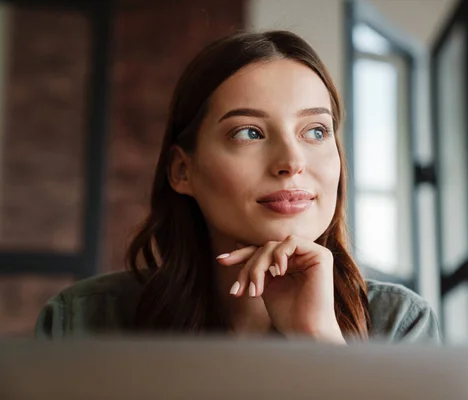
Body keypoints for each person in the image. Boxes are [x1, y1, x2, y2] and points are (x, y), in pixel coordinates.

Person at [35, 30, 440, 344]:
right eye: (249, 132)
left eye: (315, 131)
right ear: (181, 171)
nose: (291, 162)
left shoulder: (399, 324)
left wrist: (319, 343)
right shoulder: (81, 323)